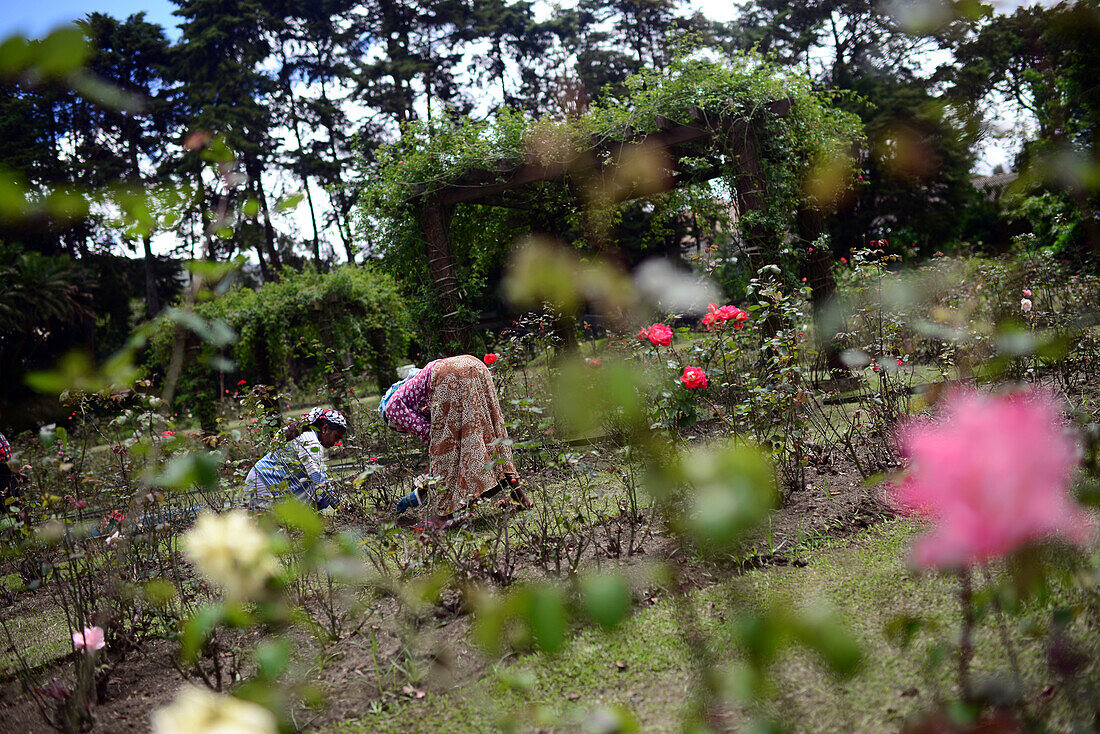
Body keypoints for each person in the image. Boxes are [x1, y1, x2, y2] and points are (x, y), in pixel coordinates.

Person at [379, 355, 530, 518]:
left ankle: (445, 517)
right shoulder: (413, 389)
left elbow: (437, 444)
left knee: (445, 451)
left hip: (448, 374)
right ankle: (519, 497)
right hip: (474, 364)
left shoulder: (392, 409)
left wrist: (418, 493)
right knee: (491, 435)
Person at [245, 407, 347, 511]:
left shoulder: (306, 435)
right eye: (336, 436)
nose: (335, 443)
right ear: (325, 429)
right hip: (265, 485)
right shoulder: (311, 442)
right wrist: (341, 507)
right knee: (316, 487)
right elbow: (319, 480)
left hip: (259, 481)